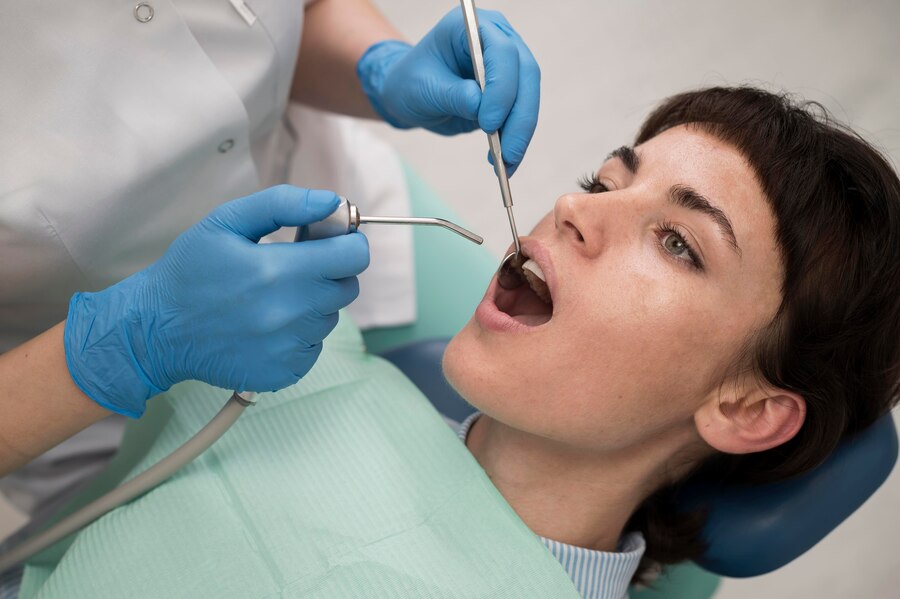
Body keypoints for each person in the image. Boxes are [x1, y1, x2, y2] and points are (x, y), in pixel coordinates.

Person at [0, 0, 540, 525]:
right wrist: (127, 341)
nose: (569, 207)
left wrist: (382, 64)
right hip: (78, 399)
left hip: (328, 200)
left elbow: (300, 10)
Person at [442, 86, 900, 592]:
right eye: (603, 185)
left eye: (677, 243)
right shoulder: (344, 358)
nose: (572, 206)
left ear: (744, 408)